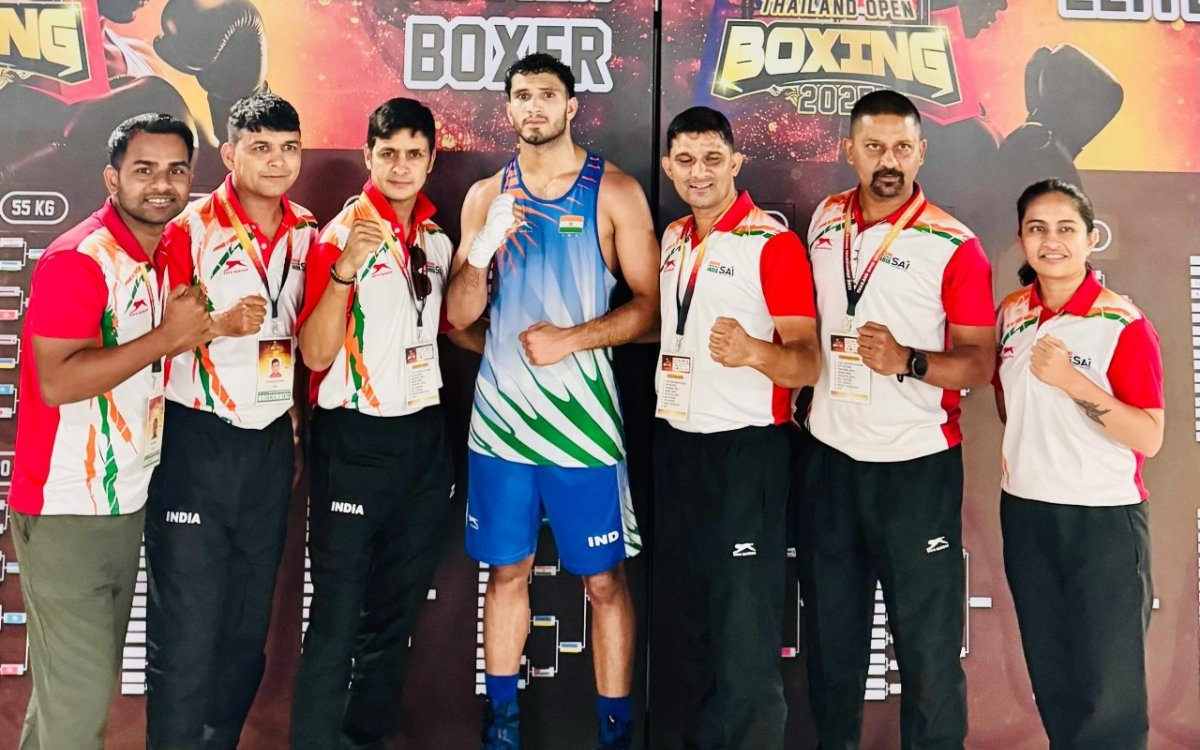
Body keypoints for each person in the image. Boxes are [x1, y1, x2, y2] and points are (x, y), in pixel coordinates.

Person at [445, 53, 658, 750]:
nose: (533, 106)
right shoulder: (486, 196)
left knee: (604, 583)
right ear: (507, 108)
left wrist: (573, 339)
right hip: (500, 428)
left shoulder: (614, 191)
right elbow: (458, 315)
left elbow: (651, 310)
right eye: (521, 95)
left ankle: (615, 731)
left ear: (572, 107)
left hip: (583, 426)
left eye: (547, 95)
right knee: (506, 573)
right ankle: (501, 729)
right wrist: (482, 250)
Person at [798, 89, 995, 750]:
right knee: (832, 649)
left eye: (903, 147)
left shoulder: (954, 244)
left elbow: (979, 364)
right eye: (875, 147)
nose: (889, 161)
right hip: (830, 459)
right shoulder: (825, 218)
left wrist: (909, 361)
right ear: (849, 151)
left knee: (928, 654)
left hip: (916, 467)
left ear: (922, 152)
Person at [9, 113, 211, 750]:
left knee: (68, 702)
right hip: (66, 507)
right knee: (79, 706)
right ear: (111, 178)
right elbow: (57, 381)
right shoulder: (79, 259)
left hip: (123, 501)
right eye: (143, 170)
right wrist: (167, 337)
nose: (162, 184)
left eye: (176, 170)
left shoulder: (158, 254)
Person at [146, 91, 316, 750]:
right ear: (229, 153)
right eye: (261, 147)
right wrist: (218, 325)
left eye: (288, 148)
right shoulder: (189, 228)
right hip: (197, 440)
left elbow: (306, 339)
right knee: (186, 633)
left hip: (269, 445)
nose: (277, 161)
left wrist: (294, 417)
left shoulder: (306, 230)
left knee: (246, 632)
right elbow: (151, 341)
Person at [653, 106, 819, 749]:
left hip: (745, 452)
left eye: (713, 159)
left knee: (744, 629)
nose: (699, 173)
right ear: (668, 168)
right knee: (686, 625)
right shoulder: (673, 238)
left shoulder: (772, 244)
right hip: (677, 446)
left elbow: (807, 362)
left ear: (736, 163)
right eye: (686, 161)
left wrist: (754, 352)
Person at [291, 97, 454, 750]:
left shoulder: (437, 241)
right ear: (368, 156)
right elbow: (315, 355)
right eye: (388, 153)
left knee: (394, 616)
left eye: (414, 154)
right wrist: (343, 273)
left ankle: (365, 741)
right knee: (336, 616)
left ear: (431, 160)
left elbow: (447, 327)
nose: (401, 166)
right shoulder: (339, 236)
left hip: (422, 439)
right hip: (354, 438)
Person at [994, 179, 1163, 750]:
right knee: (1054, 679)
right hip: (1027, 514)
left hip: (1102, 520)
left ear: (1091, 239)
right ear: (1021, 239)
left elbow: (1149, 435)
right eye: (1037, 229)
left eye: (1066, 229)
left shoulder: (1122, 322)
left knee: (1108, 691)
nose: (1052, 242)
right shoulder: (1012, 313)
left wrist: (1072, 382)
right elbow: (1007, 404)